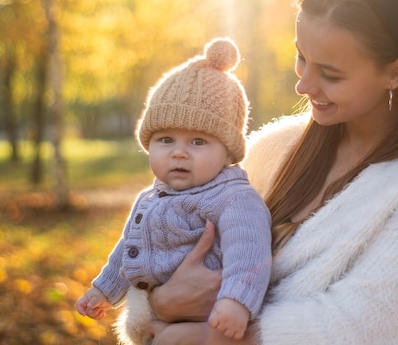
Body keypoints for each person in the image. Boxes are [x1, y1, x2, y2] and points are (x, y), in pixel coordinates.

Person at [147, 0, 398, 345]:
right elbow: (160, 239)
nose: (304, 86)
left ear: (396, 72)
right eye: (301, 58)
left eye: (330, 74)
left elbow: (371, 320)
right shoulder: (273, 148)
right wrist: (159, 302)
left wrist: (208, 337)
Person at [76, 38, 272, 344]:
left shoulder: (233, 198)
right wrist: (103, 290)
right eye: (166, 140)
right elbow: (128, 251)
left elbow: (249, 252)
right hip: (157, 324)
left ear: (228, 152)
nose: (179, 153)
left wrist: (236, 302)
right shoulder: (151, 198)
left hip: (208, 320)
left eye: (198, 142)